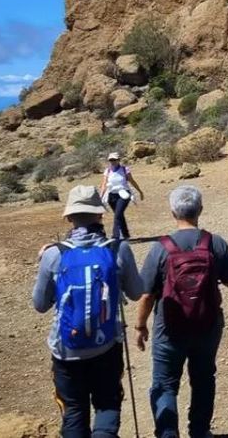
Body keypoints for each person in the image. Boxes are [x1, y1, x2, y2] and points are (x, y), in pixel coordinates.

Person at [33, 185, 144, 438]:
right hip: (106, 345)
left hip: (66, 350)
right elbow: (136, 293)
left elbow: (40, 304)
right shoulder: (117, 249)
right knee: (107, 404)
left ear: (69, 218)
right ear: (100, 215)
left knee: (73, 410)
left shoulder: (54, 254)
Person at [135, 185, 228, 438]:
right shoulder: (214, 242)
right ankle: (200, 431)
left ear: (173, 212)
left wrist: (140, 326)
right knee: (203, 379)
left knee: (165, 384)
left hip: (169, 328)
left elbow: (147, 293)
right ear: (200, 209)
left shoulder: (161, 248)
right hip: (208, 324)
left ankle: (168, 433)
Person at [99, 152, 144, 239]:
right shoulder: (107, 171)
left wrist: (140, 191)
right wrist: (101, 197)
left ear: (118, 160)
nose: (112, 162)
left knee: (118, 214)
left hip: (124, 194)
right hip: (111, 196)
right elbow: (104, 184)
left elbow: (132, 181)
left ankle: (115, 236)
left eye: (114, 160)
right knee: (119, 215)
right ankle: (126, 234)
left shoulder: (124, 169)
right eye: (111, 160)